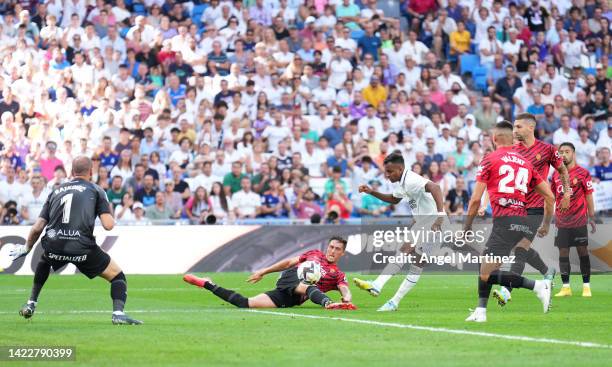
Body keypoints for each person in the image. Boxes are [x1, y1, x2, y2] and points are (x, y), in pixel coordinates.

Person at [9, 156, 141, 325]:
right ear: (91, 172)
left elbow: (38, 227)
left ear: (71, 172)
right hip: (82, 248)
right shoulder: (97, 190)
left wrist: (27, 247)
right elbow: (108, 225)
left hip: (55, 245)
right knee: (118, 277)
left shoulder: (55, 191)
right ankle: (118, 314)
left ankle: (31, 304)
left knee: (45, 259)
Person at [464, 121, 554, 322]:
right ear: (511, 139)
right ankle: (481, 312)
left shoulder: (490, 159)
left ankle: (538, 286)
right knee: (486, 268)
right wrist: (546, 223)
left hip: (504, 221)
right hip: (523, 220)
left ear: (494, 139)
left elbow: (476, 199)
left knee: (485, 272)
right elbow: (549, 196)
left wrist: (466, 226)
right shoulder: (525, 162)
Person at [353, 151, 447, 311]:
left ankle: (380, 287)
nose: (387, 175)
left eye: (390, 172)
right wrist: (371, 191)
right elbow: (394, 199)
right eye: (386, 172)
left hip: (435, 223)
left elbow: (435, 187)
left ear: (400, 168)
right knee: (414, 262)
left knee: (408, 253)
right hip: (425, 222)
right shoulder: (403, 183)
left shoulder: (411, 180)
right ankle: (391, 300)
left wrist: (440, 216)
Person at [493, 113, 570, 306]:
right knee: (519, 247)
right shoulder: (512, 150)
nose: (515, 130)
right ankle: (547, 272)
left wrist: (567, 193)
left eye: (518, 127)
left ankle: (506, 291)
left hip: (535, 207)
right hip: (515, 206)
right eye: (514, 127)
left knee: (520, 248)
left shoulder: (548, 150)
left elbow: (562, 170)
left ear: (530, 127)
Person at [183, 237, 355, 310]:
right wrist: (264, 271)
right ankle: (327, 303)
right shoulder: (314, 254)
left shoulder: (337, 274)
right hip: (291, 277)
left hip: (294, 296)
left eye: (337, 249)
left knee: (245, 303)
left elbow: (344, 288)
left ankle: (207, 283)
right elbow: (289, 262)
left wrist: (346, 299)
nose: (332, 250)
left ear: (342, 253)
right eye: (331, 246)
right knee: (308, 284)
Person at [552, 143, 596, 298]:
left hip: (579, 220)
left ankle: (586, 286)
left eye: (567, 151)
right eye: (561, 152)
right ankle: (566, 288)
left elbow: (589, 195)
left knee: (582, 250)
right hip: (561, 221)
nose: (563, 154)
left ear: (573, 154)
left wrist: (591, 216)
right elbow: (552, 197)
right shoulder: (556, 175)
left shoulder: (583, 173)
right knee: (563, 252)